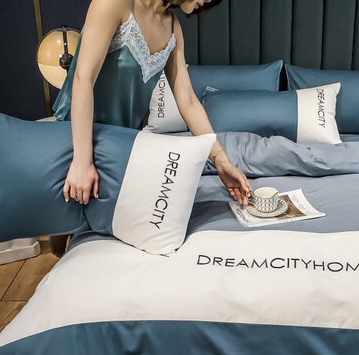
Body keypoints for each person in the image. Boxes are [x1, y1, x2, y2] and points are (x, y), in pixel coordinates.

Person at [50, 0, 251, 257]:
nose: (207, 2)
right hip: (77, 137)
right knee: (61, 230)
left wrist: (221, 161)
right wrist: (81, 160)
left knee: (104, 236)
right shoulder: (115, 3)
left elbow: (188, 100)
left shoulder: (173, 28)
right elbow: (83, 77)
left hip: (122, 145)